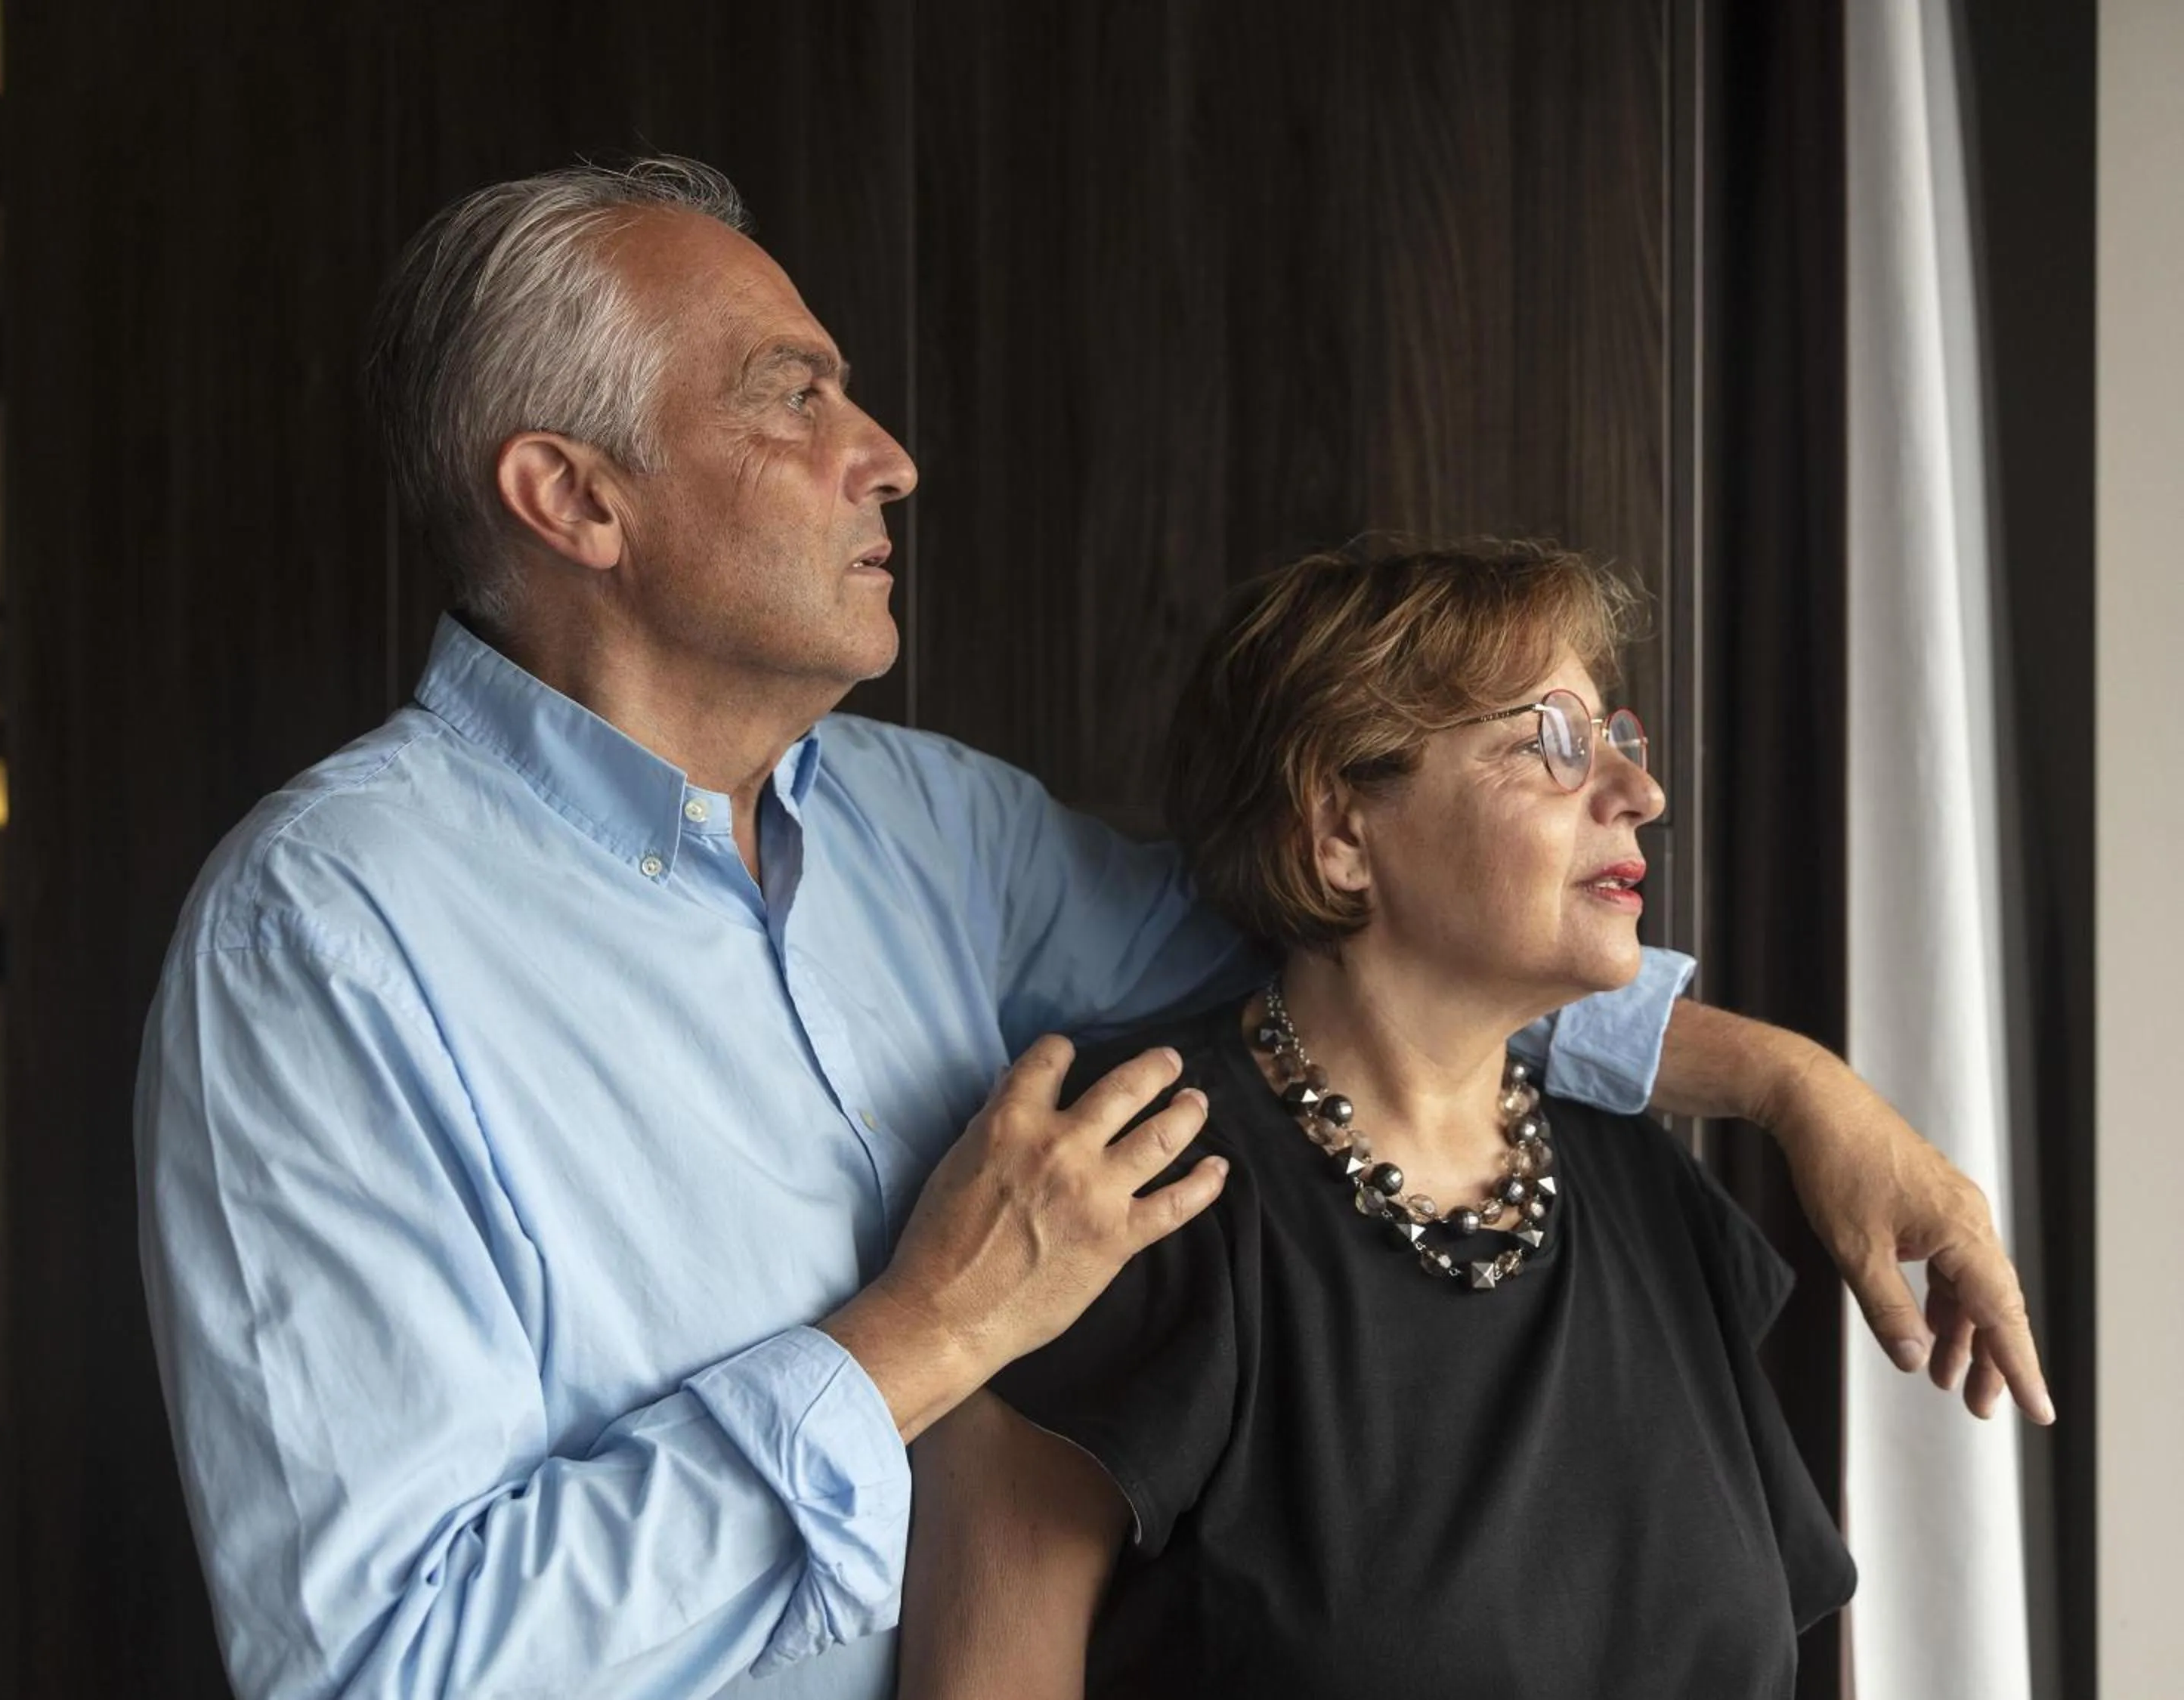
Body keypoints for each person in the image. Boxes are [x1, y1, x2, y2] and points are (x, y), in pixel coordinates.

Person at [132, 159, 2046, 1700]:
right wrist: (918, 1336)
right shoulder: (321, 943)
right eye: (792, 394)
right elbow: (384, 1664)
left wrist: (1797, 1091)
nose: (884, 451)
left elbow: (1358, 968)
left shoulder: (927, 823)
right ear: (572, 498)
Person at [898, 541, 1858, 1699]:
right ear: (1342, 834)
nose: (1638, 792)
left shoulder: (1649, 1190)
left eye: (1618, 737)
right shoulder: (1126, 1182)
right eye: (1549, 740)